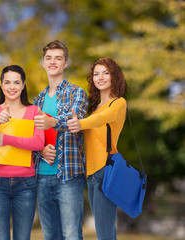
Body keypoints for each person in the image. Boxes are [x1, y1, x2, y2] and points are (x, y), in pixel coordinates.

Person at [33, 40, 88, 240]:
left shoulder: (77, 93)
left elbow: (77, 118)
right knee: (50, 236)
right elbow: (31, 137)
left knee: (72, 235)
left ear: (66, 63)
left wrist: (52, 121)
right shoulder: (37, 101)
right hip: (42, 176)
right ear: (43, 63)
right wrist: (39, 151)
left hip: (69, 176)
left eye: (58, 58)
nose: (53, 62)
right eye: (48, 58)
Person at [67, 57, 127, 240]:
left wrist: (81, 123)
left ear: (114, 76)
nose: (100, 77)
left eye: (105, 73)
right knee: (105, 231)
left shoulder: (117, 103)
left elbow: (102, 119)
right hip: (91, 172)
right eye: (96, 74)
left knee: (104, 233)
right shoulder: (94, 108)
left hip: (105, 170)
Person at [0, 65, 45, 240]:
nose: (12, 87)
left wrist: (7, 139)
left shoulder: (34, 111)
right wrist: (1, 118)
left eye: (16, 82)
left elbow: (38, 143)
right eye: (7, 82)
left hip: (26, 184)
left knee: (23, 237)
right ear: (2, 86)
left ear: (23, 85)